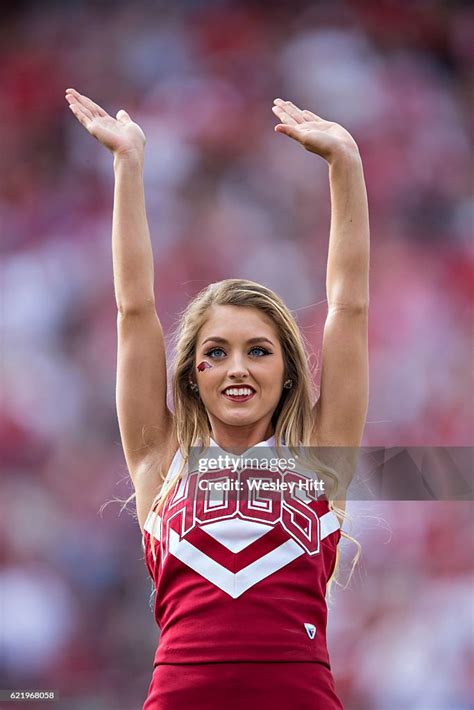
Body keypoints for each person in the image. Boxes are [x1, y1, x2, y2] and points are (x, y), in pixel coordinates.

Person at [65, 88, 370, 709]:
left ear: (289, 371)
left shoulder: (320, 461)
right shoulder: (160, 461)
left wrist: (346, 166)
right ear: (191, 373)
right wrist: (129, 166)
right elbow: (135, 310)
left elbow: (348, 309)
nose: (237, 368)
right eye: (216, 352)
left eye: (259, 351)